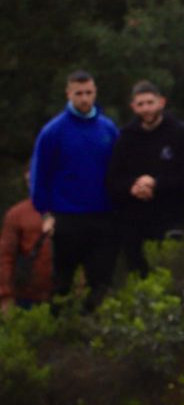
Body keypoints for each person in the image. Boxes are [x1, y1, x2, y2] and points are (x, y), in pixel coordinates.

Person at [28, 70, 119, 308]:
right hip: (67, 216)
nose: (84, 99)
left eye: (88, 93)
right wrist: (45, 213)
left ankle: (96, 333)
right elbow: (40, 174)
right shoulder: (53, 132)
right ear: (69, 94)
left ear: (95, 92)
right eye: (79, 93)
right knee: (63, 282)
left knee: (101, 280)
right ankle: (59, 335)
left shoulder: (107, 129)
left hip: (102, 215)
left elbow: (120, 168)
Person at [104, 81, 184, 275]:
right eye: (140, 104)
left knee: (172, 275)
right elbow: (113, 180)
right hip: (135, 221)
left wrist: (157, 183)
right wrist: (132, 187)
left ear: (161, 102)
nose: (146, 109)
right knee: (139, 276)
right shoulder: (125, 137)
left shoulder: (181, 133)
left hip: (171, 218)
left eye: (150, 102)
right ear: (133, 107)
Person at [1, 192, 53, 311]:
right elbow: (5, 257)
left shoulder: (74, 213)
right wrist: (5, 296)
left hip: (65, 295)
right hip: (26, 297)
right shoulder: (18, 214)